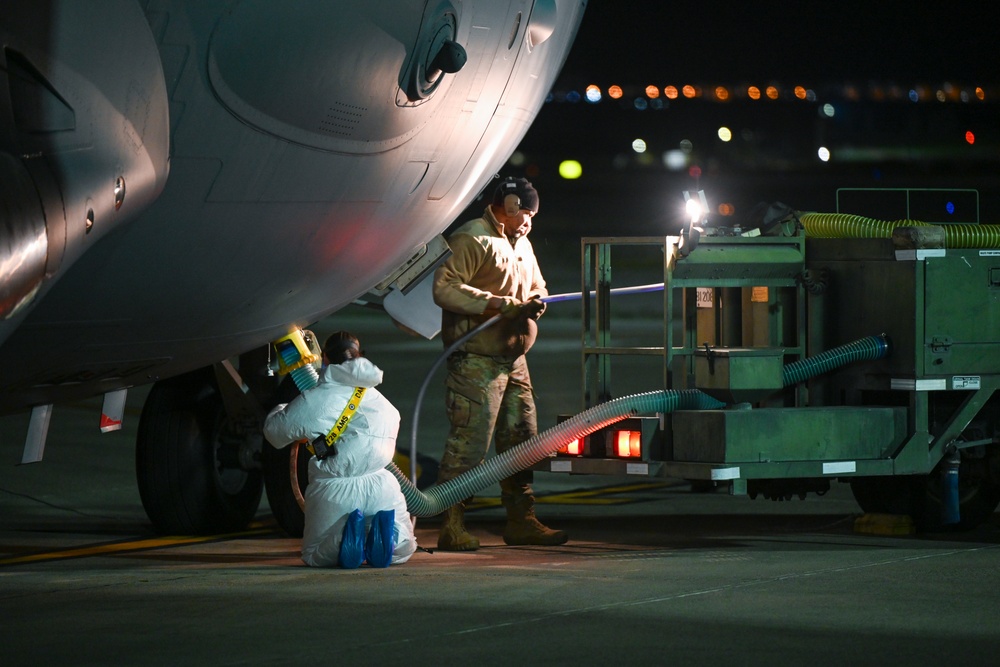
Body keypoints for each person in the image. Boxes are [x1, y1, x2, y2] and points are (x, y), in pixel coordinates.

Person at [431, 176, 568, 551]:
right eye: (524, 214)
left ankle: (521, 520)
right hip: (476, 358)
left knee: (521, 441)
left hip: (514, 358)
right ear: (507, 207)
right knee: (469, 444)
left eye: (531, 216)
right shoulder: (472, 238)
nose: (528, 223)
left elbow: (538, 283)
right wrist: (496, 303)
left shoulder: (519, 242)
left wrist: (537, 300)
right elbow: (444, 287)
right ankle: (451, 523)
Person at [263, 331, 416, 568]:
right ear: (360, 356)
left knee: (315, 554)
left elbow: (274, 434)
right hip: (382, 485)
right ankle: (389, 537)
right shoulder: (380, 400)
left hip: (334, 489)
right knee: (406, 548)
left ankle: (346, 538)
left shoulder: (313, 400)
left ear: (324, 358)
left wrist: (282, 408)